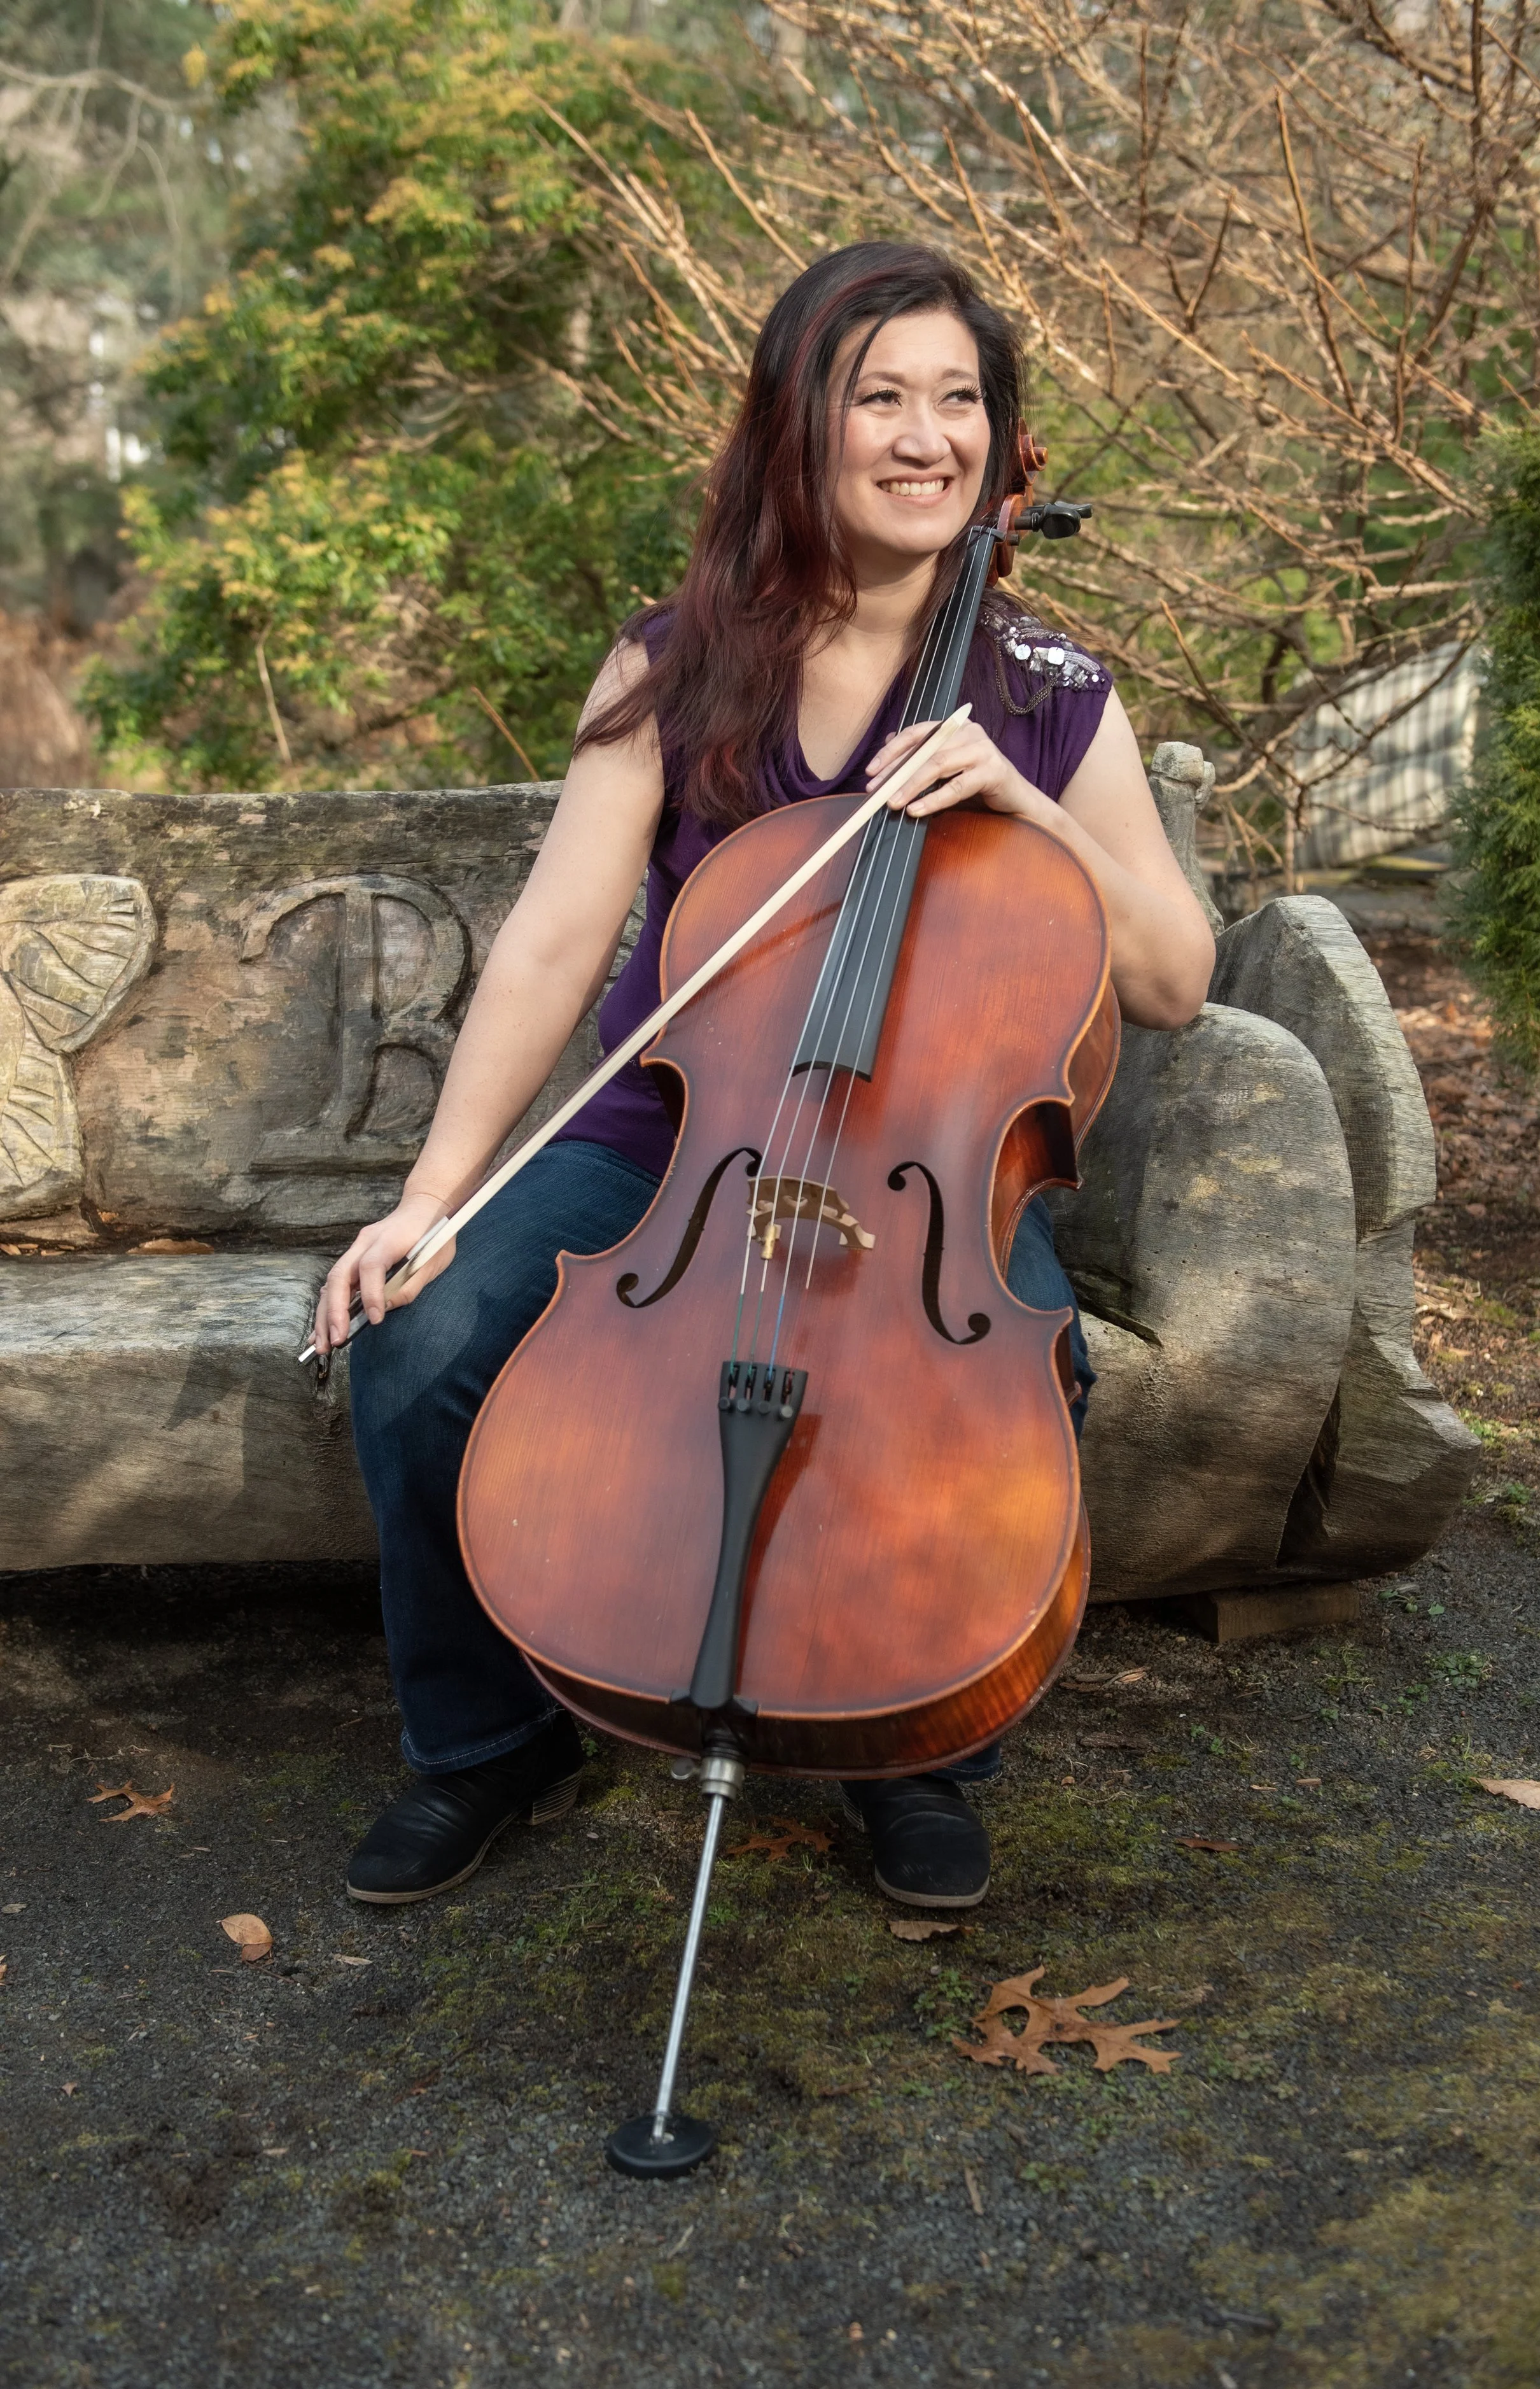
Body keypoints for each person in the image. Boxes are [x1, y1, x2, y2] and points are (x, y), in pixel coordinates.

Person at [313, 241, 1215, 1912]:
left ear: (998, 441)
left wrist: (1022, 807)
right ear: (800, 425)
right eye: (882, 397)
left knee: (1029, 1385)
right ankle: (487, 1747)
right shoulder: (674, 665)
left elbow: (1168, 977)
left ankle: (918, 1749)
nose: (927, 436)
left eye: (961, 400)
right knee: (420, 1337)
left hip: (923, 1185)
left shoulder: (1053, 697)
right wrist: (428, 1202)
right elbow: (546, 945)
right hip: (670, 1159)